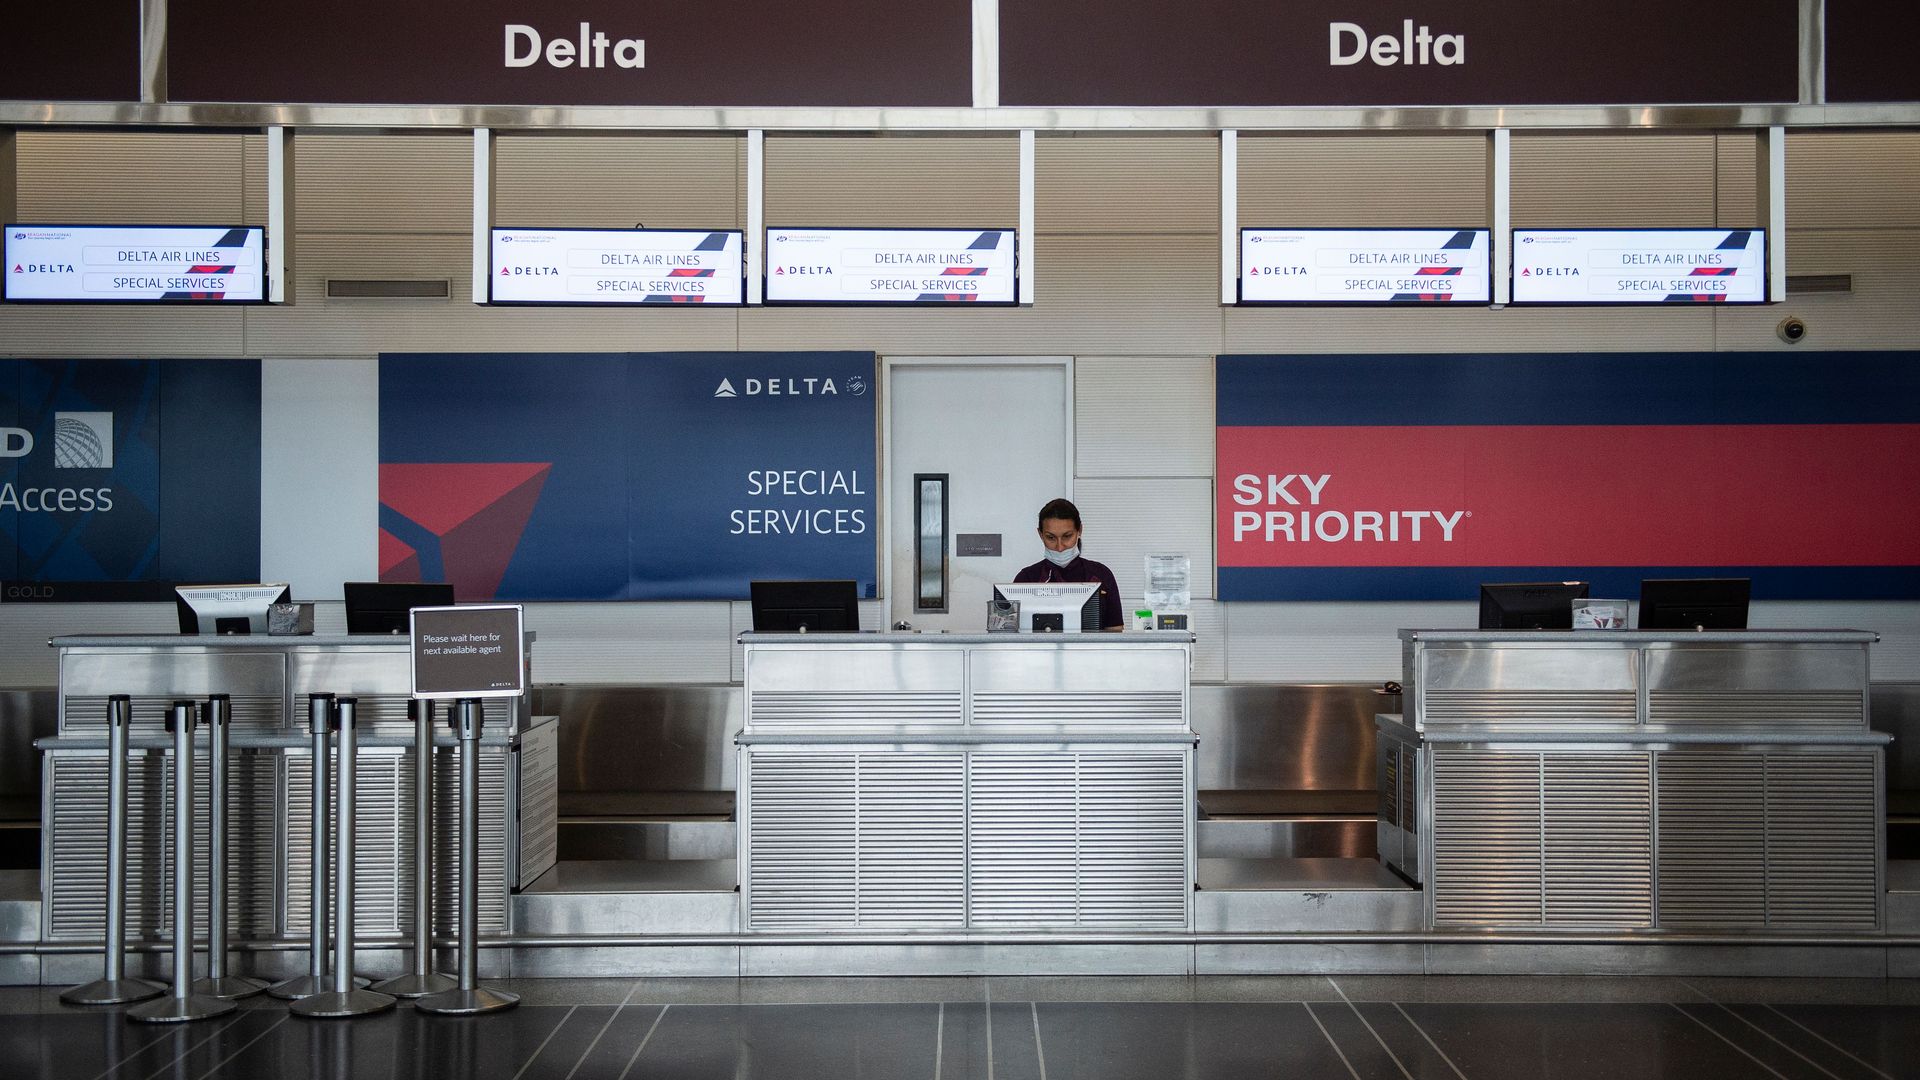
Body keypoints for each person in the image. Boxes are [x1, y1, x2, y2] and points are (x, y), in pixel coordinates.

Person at [1012, 497, 1125, 631]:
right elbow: (1011, 636)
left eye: (1067, 536)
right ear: (1040, 535)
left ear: (1079, 531)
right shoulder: (1026, 578)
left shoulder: (1100, 574)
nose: (1060, 547)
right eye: (1051, 537)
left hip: (1091, 651)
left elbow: (1115, 631)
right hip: (1038, 651)